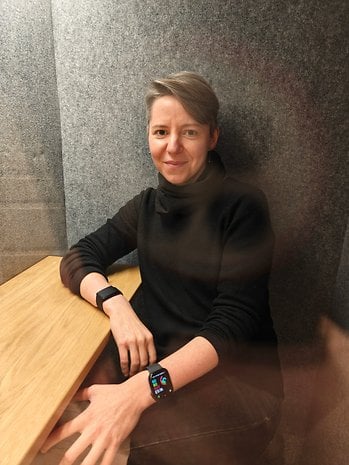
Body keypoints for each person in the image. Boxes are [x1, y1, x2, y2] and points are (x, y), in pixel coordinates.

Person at [41, 71, 284, 465]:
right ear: (149, 136)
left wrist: (139, 392)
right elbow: (80, 256)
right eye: (160, 132)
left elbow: (230, 327)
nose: (172, 147)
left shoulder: (243, 206)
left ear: (212, 137)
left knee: (147, 439)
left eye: (189, 132)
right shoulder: (146, 206)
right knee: (61, 399)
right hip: (165, 365)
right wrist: (116, 305)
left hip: (241, 382)